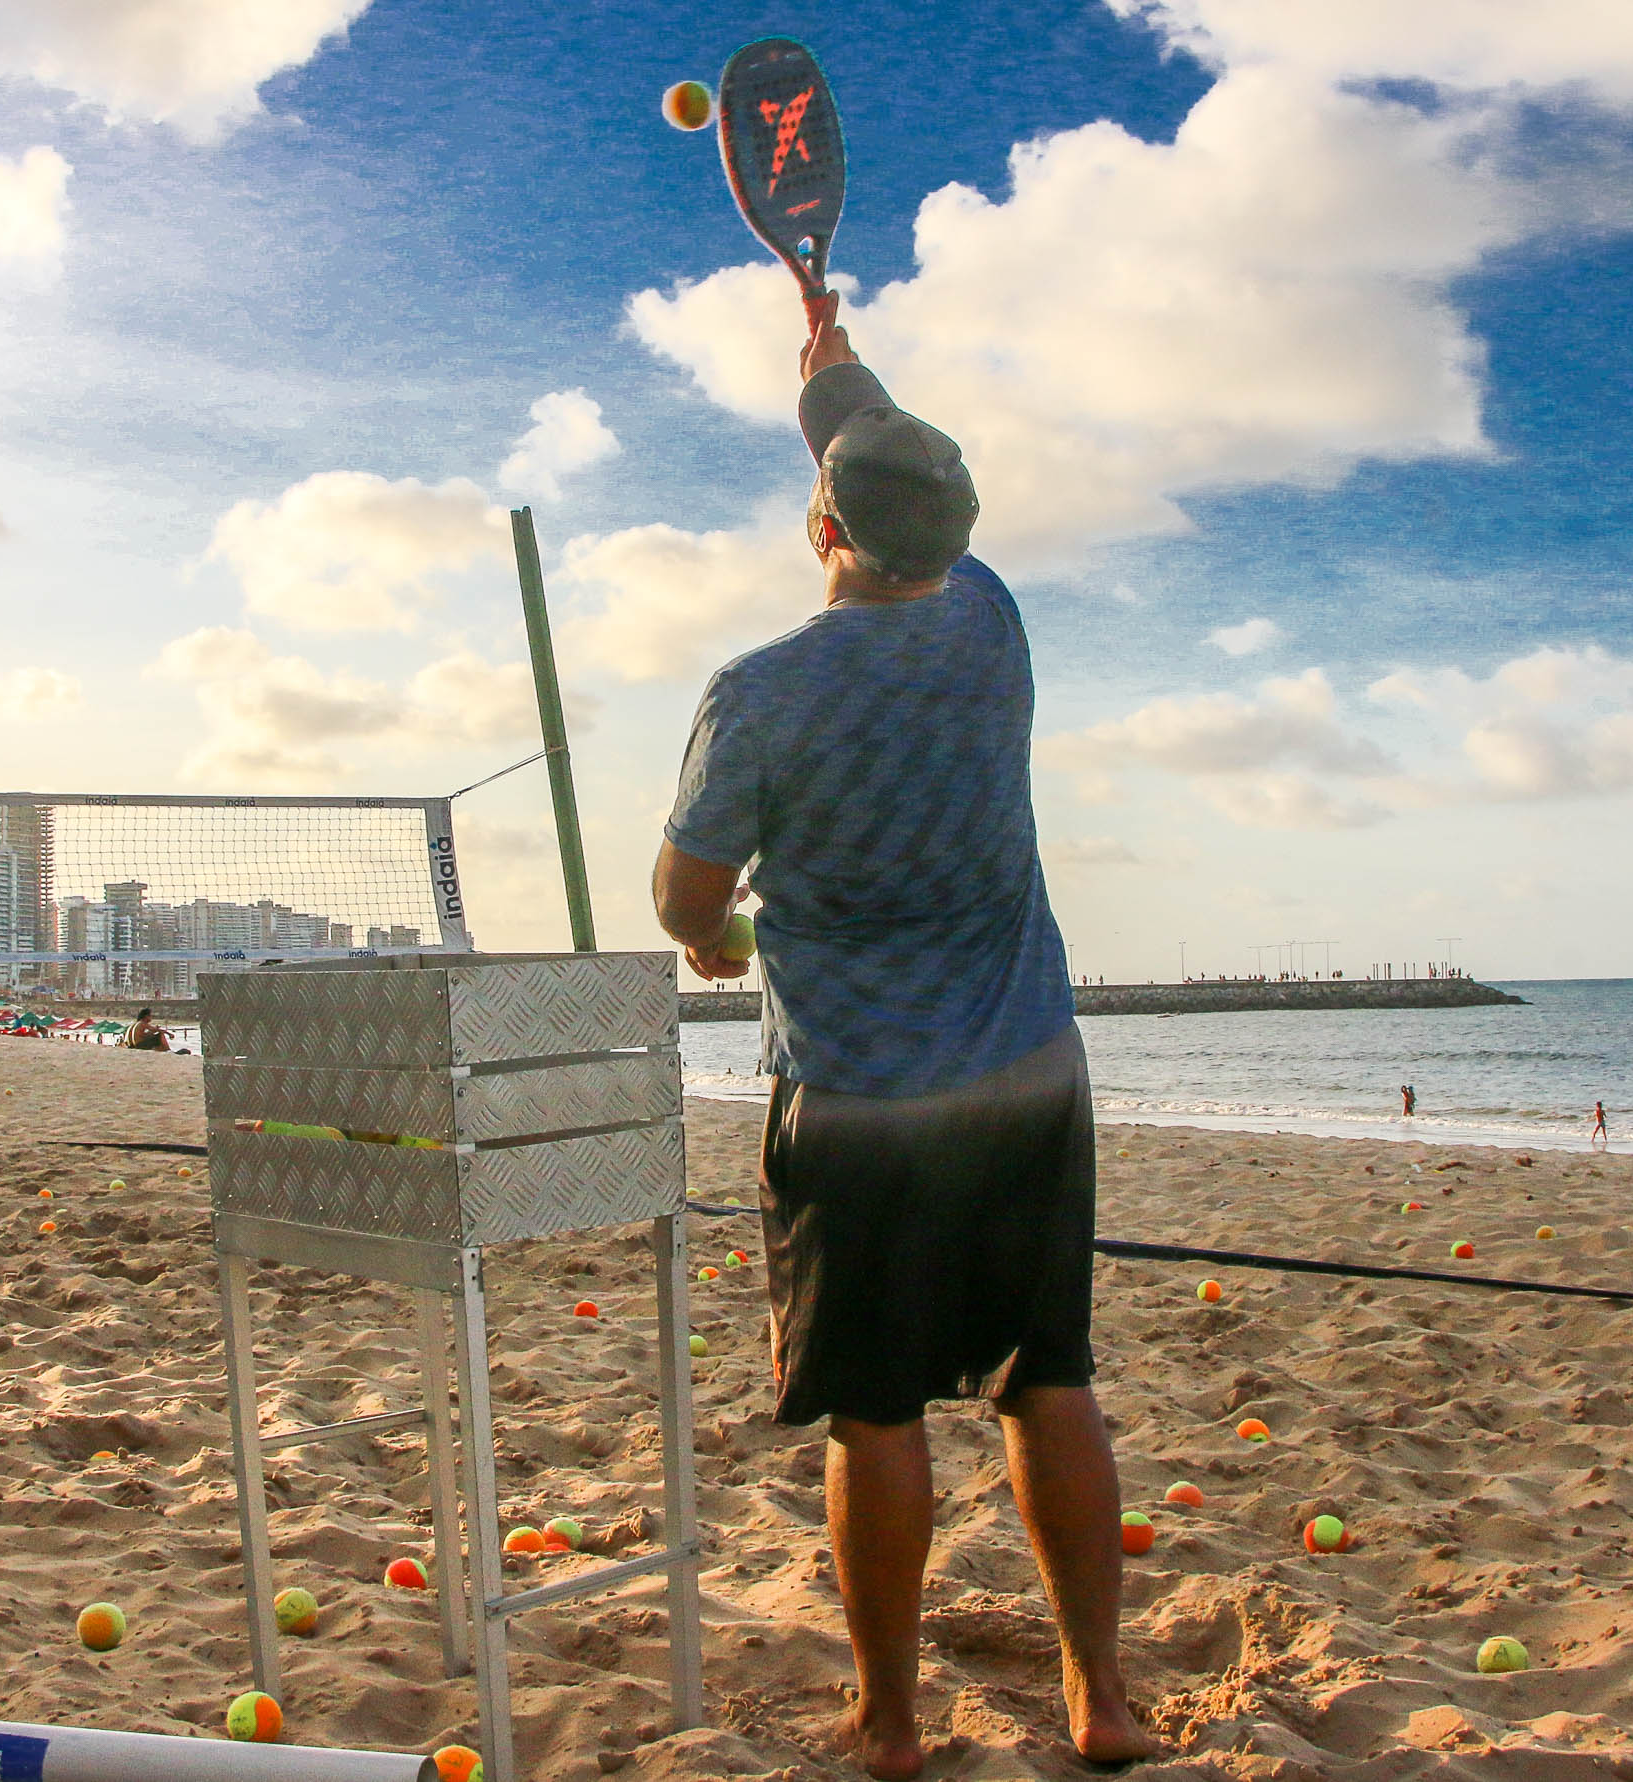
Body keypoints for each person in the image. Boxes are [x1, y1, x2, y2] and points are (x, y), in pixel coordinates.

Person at [653, 316, 1143, 1779]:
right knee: (1049, 1377)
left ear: (821, 529)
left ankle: (887, 1716)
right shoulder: (993, 619)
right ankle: (1100, 1696)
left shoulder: (760, 691)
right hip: (1027, 1077)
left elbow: (685, 892)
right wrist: (835, 373)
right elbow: (889, 472)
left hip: (860, 1099)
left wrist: (717, 945)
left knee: (875, 1413)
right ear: (956, 530)